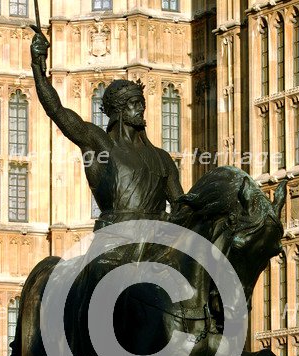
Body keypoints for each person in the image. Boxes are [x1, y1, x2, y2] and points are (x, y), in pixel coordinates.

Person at [30, 31, 184, 246]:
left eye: (142, 103)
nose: (141, 109)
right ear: (119, 110)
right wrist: (38, 67)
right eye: (133, 103)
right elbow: (57, 111)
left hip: (154, 245)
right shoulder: (101, 145)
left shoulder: (162, 158)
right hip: (114, 243)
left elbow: (180, 207)